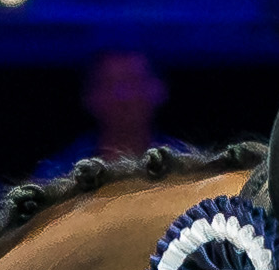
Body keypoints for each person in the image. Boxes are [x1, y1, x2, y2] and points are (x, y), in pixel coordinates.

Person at [42, 46, 178, 174]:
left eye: (133, 81)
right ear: (89, 96)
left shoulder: (186, 168)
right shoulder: (59, 172)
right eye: (109, 84)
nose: (122, 96)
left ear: (160, 89)